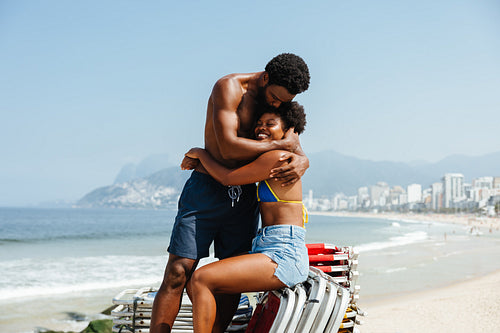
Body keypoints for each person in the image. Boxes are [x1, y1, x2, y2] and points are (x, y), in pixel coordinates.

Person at [150, 53, 310, 333]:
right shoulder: (229, 88)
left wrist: (303, 158)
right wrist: (282, 147)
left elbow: (290, 140)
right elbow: (227, 148)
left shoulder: (275, 107)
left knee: (227, 276)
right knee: (178, 271)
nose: (276, 104)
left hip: (246, 192)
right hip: (208, 187)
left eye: (282, 102)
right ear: (265, 78)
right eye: (274, 97)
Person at [185, 102, 309, 333]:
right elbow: (233, 157)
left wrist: (201, 154)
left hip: (283, 254)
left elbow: (227, 177)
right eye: (259, 124)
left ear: (288, 130)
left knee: (201, 279)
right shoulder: (280, 156)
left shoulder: (277, 158)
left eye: (270, 124)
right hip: (269, 247)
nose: (261, 128)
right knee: (197, 281)